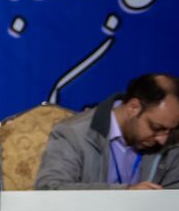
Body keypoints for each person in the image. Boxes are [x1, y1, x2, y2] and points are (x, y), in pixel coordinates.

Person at [36, 73, 179, 190]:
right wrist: (126, 193)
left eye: (171, 130)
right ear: (133, 107)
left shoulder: (172, 142)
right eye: (156, 128)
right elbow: (50, 189)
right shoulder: (73, 133)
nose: (163, 139)